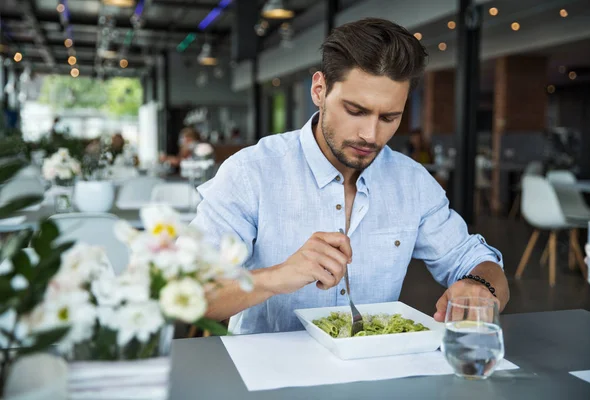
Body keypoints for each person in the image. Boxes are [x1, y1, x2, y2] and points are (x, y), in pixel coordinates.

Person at [192, 18, 508, 335]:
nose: (370, 135)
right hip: (267, 375)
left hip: (376, 375)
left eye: (389, 117)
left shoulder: (412, 182)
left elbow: (477, 261)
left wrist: (479, 286)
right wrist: (278, 276)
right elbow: (191, 292)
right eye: (355, 110)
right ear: (320, 90)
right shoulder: (251, 172)